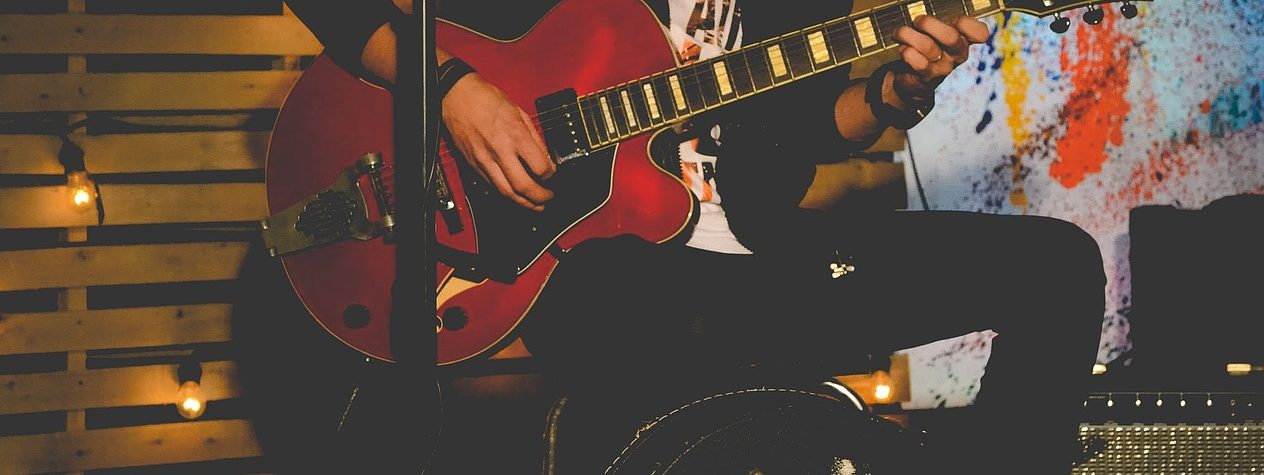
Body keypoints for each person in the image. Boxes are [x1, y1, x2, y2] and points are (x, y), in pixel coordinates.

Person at [274, 0, 1107, 473]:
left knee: (1060, 266)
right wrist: (454, 89)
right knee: (652, 316)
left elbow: (811, 127)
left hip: (761, 264)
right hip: (604, 275)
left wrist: (898, 89)